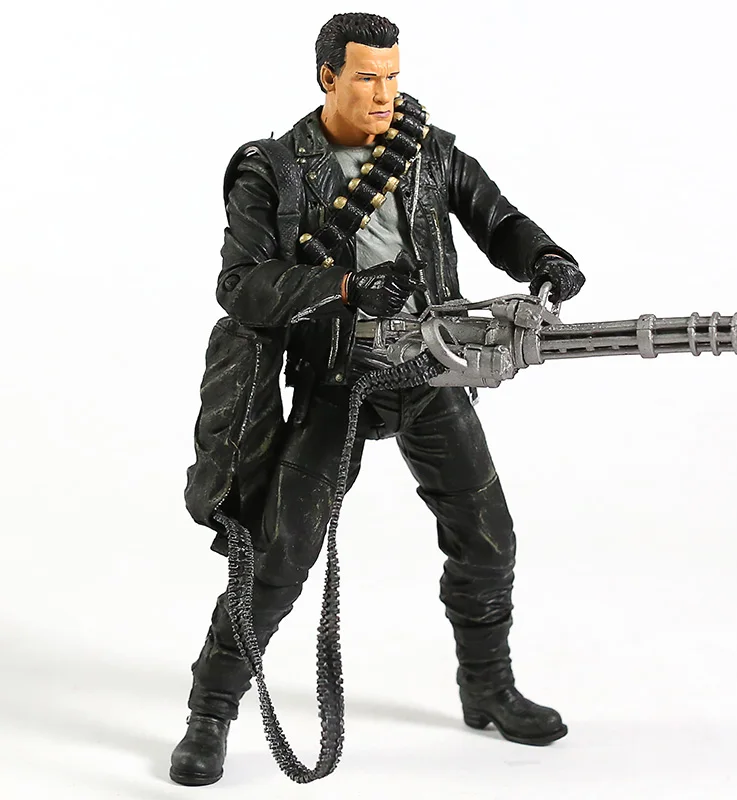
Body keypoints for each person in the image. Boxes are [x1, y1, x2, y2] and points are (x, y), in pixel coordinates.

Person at [171, 12, 586, 786]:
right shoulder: (273, 169)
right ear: (328, 77)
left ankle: (487, 687)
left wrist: (546, 257)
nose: (385, 93)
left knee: (488, 539)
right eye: (367, 77)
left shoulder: (428, 150)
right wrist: (343, 287)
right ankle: (211, 710)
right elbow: (241, 286)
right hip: (339, 379)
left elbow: (497, 219)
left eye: (393, 76)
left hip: (431, 371)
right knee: (279, 558)